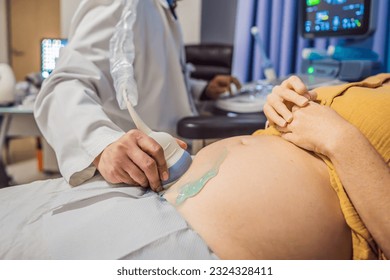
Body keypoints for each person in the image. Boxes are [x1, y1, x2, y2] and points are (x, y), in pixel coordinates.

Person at [1, 74, 388, 260]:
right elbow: (68, 81)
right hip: (138, 199)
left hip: (199, 249)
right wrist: (284, 100)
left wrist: (340, 139)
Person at [34, 0, 241, 190]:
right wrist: (102, 144)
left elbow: (161, 80)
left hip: (168, 167)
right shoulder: (122, 4)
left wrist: (202, 89)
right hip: (135, 174)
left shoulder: (164, 10)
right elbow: (63, 84)